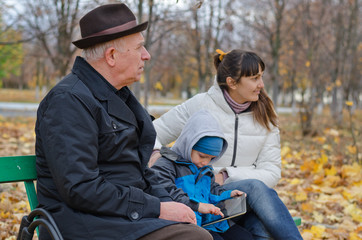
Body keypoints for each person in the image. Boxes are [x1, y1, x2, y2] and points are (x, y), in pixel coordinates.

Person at [34, 3, 213, 240]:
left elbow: (139, 172)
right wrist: (158, 208)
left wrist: (180, 204)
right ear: (111, 56)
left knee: (216, 230)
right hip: (83, 223)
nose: (146, 55)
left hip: (121, 217)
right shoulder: (68, 101)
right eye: (139, 47)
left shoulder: (118, 95)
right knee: (195, 238)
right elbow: (80, 188)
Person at [150, 49, 303, 239]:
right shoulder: (200, 105)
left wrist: (227, 174)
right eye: (255, 78)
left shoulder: (266, 116)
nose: (261, 85)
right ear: (232, 82)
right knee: (258, 224)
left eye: (261, 77)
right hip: (203, 193)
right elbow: (151, 133)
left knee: (260, 217)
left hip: (241, 196)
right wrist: (156, 155)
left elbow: (272, 171)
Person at [151, 109, 253, 240]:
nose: (205, 162)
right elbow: (167, 193)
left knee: (245, 236)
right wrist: (198, 206)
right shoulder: (167, 165)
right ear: (189, 144)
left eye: (211, 158)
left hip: (210, 222)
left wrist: (228, 195)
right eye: (202, 156)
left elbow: (212, 190)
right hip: (185, 224)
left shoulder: (205, 168)